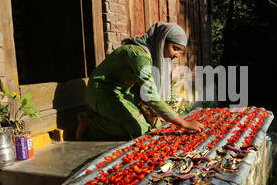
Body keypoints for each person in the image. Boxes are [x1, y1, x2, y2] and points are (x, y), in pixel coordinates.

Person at [76, 22, 204, 141]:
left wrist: (153, 114)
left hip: (122, 92)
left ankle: (103, 117)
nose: (176, 55)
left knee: (155, 124)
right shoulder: (138, 55)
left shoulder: (150, 56)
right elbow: (150, 95)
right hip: (102, 91)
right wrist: (183, 122)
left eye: (179, 51)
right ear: (161, 41)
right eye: (175, 48)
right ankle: (90, 124)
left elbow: (141, 90)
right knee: (137, 130)